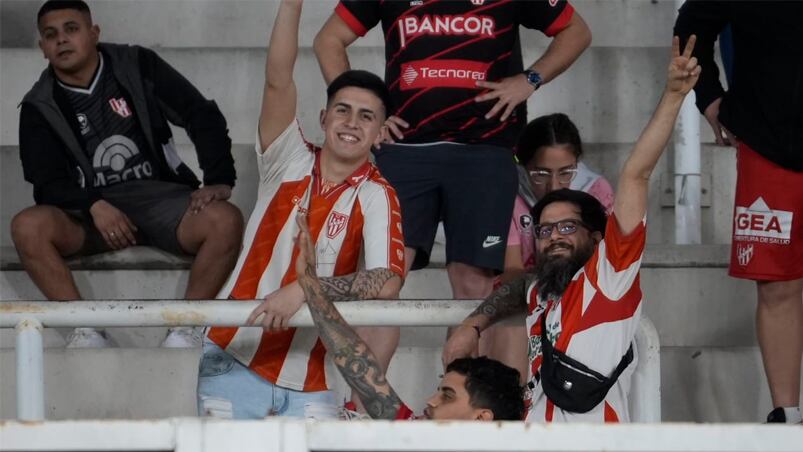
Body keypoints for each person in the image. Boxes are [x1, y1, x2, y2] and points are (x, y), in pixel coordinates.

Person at [443, 36, 701, 422]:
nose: (554, 236)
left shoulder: (609, 281)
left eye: (567, 226)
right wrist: (473, 324)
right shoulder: (541, 294)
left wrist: (673, 96)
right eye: (545, 231)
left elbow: (636, 174)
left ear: (597, 238)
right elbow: (518, 284)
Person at [313, 2, 592, 340]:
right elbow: (328, 39)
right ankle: (366, 396)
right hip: (406, 150)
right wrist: (370, 113)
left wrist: (529, 79)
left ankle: (458, 391)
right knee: (382, 280)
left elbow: (577, 31)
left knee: (473, 284)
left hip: (484, 152)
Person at [198, 0, 406, 419]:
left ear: (381, 132)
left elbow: (386, 281)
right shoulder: (287, 158)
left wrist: (303, 291)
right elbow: (278, 81)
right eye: (342, 110)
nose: (351, 122)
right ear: (324, 116)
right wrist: (292, 4)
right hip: (232, 353)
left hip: (315, 378)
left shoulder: (378, 194)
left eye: (367, 117)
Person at [12, 0, 243, 348]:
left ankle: (188, 325)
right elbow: (46, 183)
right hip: (91, 215)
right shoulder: (38, 104)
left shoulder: (136, 64)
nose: (61, 40)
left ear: (94, 33)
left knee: (225, 220)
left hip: (161, 198)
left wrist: (219, 178)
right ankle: (84, 328)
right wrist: (94, 204)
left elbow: (200, 113)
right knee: (27, 226)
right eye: (51, 35)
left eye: (71, 29)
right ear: (43, 48)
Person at [674, 0, 803, 424]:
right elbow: (690, 31)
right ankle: (788, 415)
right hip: (771, 146)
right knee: (777, 285)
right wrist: (709, 99)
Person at [293, 214, 524, 421]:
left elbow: (525, 286)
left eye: (447, 397)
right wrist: (309, 281)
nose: (430, 401)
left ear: (482, 418)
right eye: (440, 391)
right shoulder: (414, 431)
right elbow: (357, 366)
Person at [483, 113, 615, 382]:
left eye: (566, 172)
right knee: (512, 324)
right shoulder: (508, 189)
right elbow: (512, 270)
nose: (554, 185)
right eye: (541, 174)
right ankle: (509, 415)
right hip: (529, 295)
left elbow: (605, 265)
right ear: (522, 163)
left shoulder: (596, 190)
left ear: (578, 162)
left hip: (583, 294)